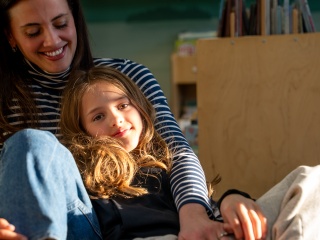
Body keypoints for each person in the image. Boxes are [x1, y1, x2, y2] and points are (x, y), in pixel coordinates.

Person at [0, 0, 267, 239]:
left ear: (75, 18)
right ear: (11, 36)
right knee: (29, 143)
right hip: (83, 221)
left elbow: (177, 151)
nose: (52, 40)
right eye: (33, 32)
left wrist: (198, 213)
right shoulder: (5, 97)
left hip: (113, 218)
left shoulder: (127, 74)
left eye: (61, 23)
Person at [58, 65, 230, 239]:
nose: (116, 120)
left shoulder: (168, 165)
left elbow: (209, 214)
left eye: (123, 105)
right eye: (98, 117)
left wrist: (232, 199)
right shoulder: (91, 181)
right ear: (82, 132)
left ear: (140, 107)